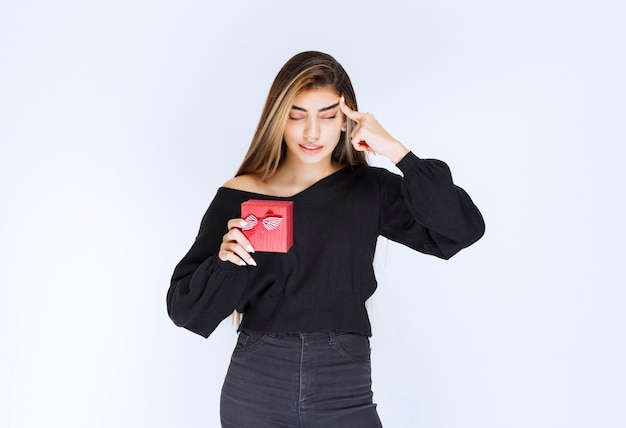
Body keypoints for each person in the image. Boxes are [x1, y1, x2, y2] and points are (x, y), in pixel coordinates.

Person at [167, 51, 485, 428]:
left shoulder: (369, 190)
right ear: (277, 119)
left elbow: (460, 229)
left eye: (328, 116)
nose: (312, 133)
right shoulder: (241, 195)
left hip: (343, 382)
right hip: (256, 382)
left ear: (348, 120)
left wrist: (398, 152)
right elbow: (184, 309)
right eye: (297, 116)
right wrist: (224, 261)